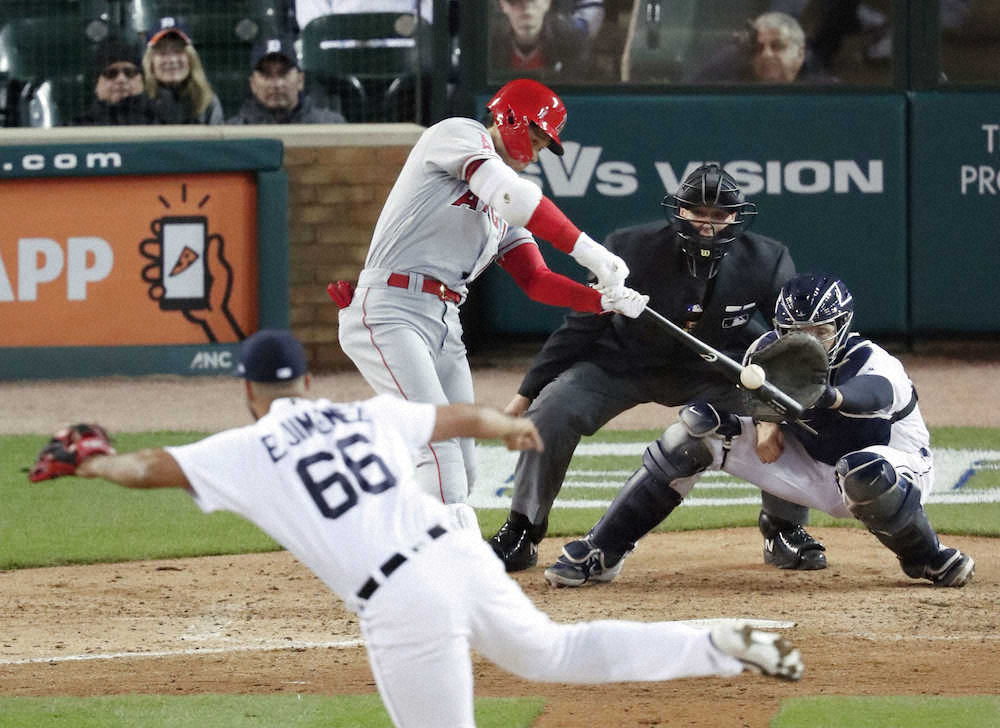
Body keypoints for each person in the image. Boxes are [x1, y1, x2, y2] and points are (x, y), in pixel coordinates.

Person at [29, 329, 804, 728]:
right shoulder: (365, 414)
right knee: (552, 651)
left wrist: (91, 460)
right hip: (458, 552)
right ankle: (721, 642)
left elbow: (148, 468)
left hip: (402, 600)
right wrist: (508, 428)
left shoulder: (247, 446)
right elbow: (454, 417)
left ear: (248, 393)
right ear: (304, 380)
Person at [333, 78, 647, 527]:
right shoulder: (458, 133)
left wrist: (603, 302)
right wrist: (591, 252)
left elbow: (536, 280)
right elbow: (515, 197)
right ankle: (449, 564)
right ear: (510, 118)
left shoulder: (502, 200)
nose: (536, 150)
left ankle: (392, 529)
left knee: (463, 455)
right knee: (437, 443)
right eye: (537, 136)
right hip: (390, 308)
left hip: (443, 319)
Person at [490, 163, 826, 573]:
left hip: (715, 371)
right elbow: (581, 324)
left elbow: (788, 342)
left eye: (720, 215)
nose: (708, 223)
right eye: (697, 212)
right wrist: (527, 392)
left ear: (736, 217)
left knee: (786, 403)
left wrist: (773, 414)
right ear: (679, 210)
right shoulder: (629, 249)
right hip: (623, 362)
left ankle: (784, 529)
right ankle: (523, 529)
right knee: (551, 411)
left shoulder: (768, 261)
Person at [543, 274, 976, 590]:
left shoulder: (873, 361)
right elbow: (758, 407)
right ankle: (603, 552)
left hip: (892, 471)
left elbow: (872, 397)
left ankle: (927, 558)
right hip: (812, 465)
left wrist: (826, 397)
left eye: (820, 332)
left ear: (842, 327)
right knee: (695, 431)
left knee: (861, 470)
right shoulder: (765, 352)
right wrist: (767, 423)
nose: (808, 342)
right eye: (795, 332)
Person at [686, 12, 836, 84]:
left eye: (777, 46)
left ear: (800, 54)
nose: (766, 55)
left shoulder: (826, 94)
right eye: (758, 48)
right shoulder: (735, 93)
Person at [227, 35, 346, 124]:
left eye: (283, 73)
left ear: (300, 80)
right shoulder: (234, 132)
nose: (276, 84)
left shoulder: (329, 125)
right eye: (266, 75)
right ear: (252, 84)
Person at [143, 17, 224, 125]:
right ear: (150, 62)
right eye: (162, 53)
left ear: (191, 58)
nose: (172, 60)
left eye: (178, 51)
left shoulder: (207, 101)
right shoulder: (140, 101)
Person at [490, 0, 592, 78]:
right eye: (516, 2)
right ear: (503, 5)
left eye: (534, 1)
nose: (527, 10)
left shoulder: (572, 41)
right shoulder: (487, 42)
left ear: (547, 2)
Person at [71, 38, 161, 126]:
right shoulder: (77, 130)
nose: (121, 79)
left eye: (129, 72)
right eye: (111, 73)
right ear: (96, 85)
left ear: (142, 80)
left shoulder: (164, 122)